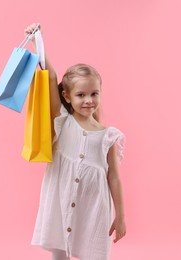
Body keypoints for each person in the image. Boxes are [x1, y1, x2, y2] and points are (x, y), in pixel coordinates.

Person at [24, 23, 127, 260]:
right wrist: (37, 41)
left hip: (93, 208)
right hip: (61, 200)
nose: (88, 100)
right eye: (81, 95)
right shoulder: (63, 121)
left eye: (94, 94)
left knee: (92, 252)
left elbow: (114, 177)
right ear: (67, 96)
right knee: (59, 250)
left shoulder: (108, 135)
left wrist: (120, 216)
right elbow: (50, 77)